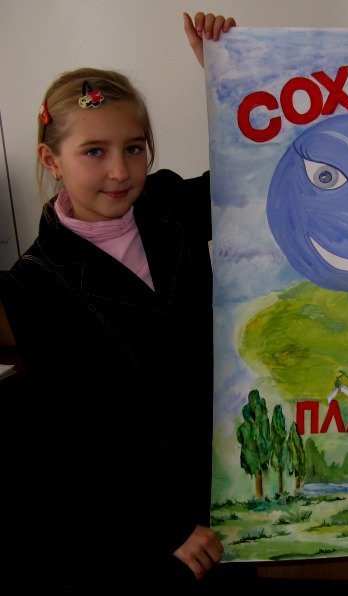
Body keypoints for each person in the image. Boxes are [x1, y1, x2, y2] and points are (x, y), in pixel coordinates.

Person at [0, 12, 237, 594]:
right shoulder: (34, 281)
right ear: (51, 161)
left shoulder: (167, 206)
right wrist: (165, 526)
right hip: (137, 521)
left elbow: (253, 174)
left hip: (221, 480)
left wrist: (230, 73)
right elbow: (75, 434)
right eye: (93, 151)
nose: (120, 171)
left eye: (134, 148)